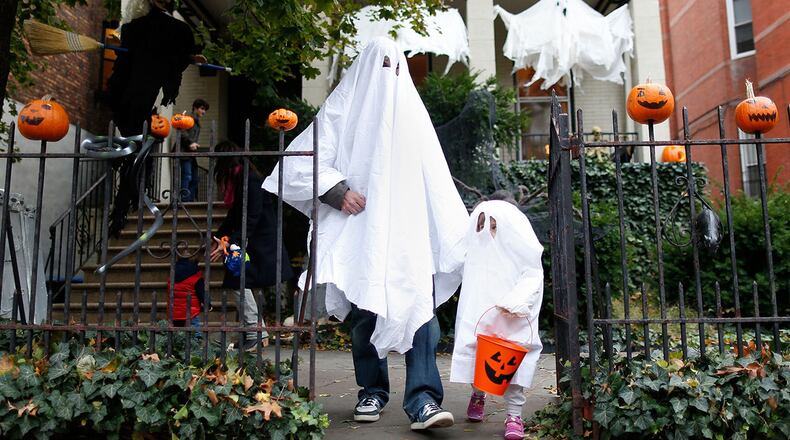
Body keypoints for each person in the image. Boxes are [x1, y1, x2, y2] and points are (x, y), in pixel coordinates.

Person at [261, 37, 468, 430]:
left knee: (420, 312)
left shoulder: (412, 116)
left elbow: (435, 179)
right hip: (361, 230)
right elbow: (302, 160)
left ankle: (424, 400)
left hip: (408, 232)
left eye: (396, 67)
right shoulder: (343, 110)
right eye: (383, 66)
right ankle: (372, 391)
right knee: (365, 313)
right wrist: (337, 191)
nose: (389, 75)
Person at [450, 200, 544, 440]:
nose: (488, 233)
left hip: (512, 316)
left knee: (514, 363)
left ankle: (514, 415)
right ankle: (478, 394)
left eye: (494, 227)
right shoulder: (477, 253)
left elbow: (532, 276)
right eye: (482, 227)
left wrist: (516, 301)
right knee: (477, 359)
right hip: (481, 315)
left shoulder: (521, 252)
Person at [210, 140, 293, 351]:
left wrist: (233, 241)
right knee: (240, 282)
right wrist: (218, 237)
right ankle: (256, 332)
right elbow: (235, 214)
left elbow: (252, 215)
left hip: (259, 242)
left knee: (237, 281)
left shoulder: (250, 180)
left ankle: (255, 333)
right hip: (251, 241)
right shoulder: (241, 179)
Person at [107, 0, 204, 137]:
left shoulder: (135, 28)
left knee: (133, 116)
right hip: (139, 86)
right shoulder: (177, 29)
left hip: (138, 85)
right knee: (134, 116)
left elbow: (124, 62)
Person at [166, 256, 209, 335]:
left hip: (174, 311)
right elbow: (201, 292)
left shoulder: (172, 273)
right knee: (195, 332)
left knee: (176, 334)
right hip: (191, 312)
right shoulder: (196, 276)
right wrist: (208, 304)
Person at [178, 98, 209, 202]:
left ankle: (189, 200)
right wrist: (190, 142)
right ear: (195, 108)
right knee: (187, 176)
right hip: (184, 152)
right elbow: (182, 132)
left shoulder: (196, 122)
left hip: (190, 154)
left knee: (195, 178)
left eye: (205, 110)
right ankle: (184, 201)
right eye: (202, 108)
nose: (204, 112)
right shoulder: (189, 119)